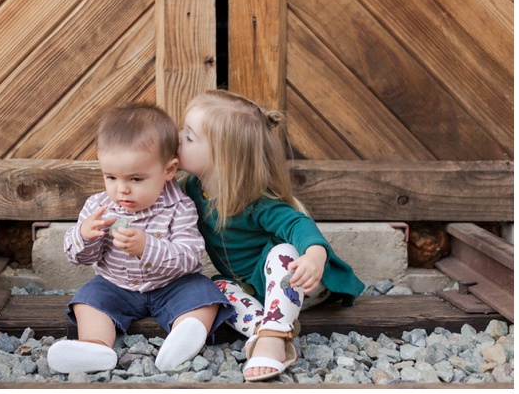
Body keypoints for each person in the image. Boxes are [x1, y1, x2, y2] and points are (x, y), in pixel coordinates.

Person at [177, 89, 365, 382]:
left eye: (188, 137)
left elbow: (297, 225)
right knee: (214, 288)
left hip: (299, 280)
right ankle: (268, 330)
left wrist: (314, 256)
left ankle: (273, 337)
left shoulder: (255, 202)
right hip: (257, 289)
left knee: (282, 254)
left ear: (223, 157)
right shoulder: (190, 188)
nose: (178, 138)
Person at [47, 103, 234, 374]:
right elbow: (78, 258)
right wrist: (85, 236)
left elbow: (189, 255)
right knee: (88, 298)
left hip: (172, 285)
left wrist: (148, 246)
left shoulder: (180, 206)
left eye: (136, 178)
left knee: (204, 293)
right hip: (116, 286)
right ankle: (95, 346)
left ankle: (184, 337)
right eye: (110, 177)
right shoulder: (98, 207)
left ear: (169, 170)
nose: (121, 189)